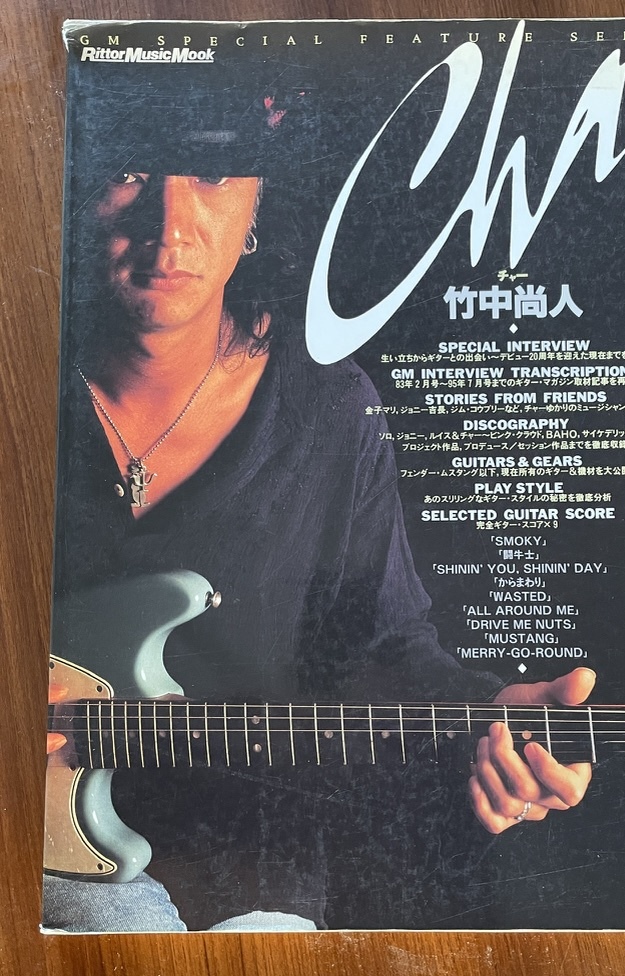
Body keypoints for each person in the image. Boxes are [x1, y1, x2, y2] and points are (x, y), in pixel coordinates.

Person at [45, 83, 594, 932]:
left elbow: (383, 648)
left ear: (259, 200)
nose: (170, 225)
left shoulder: (329, 409)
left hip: (250, 878)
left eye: (213, 175)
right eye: (127, 172)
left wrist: (491, 714)